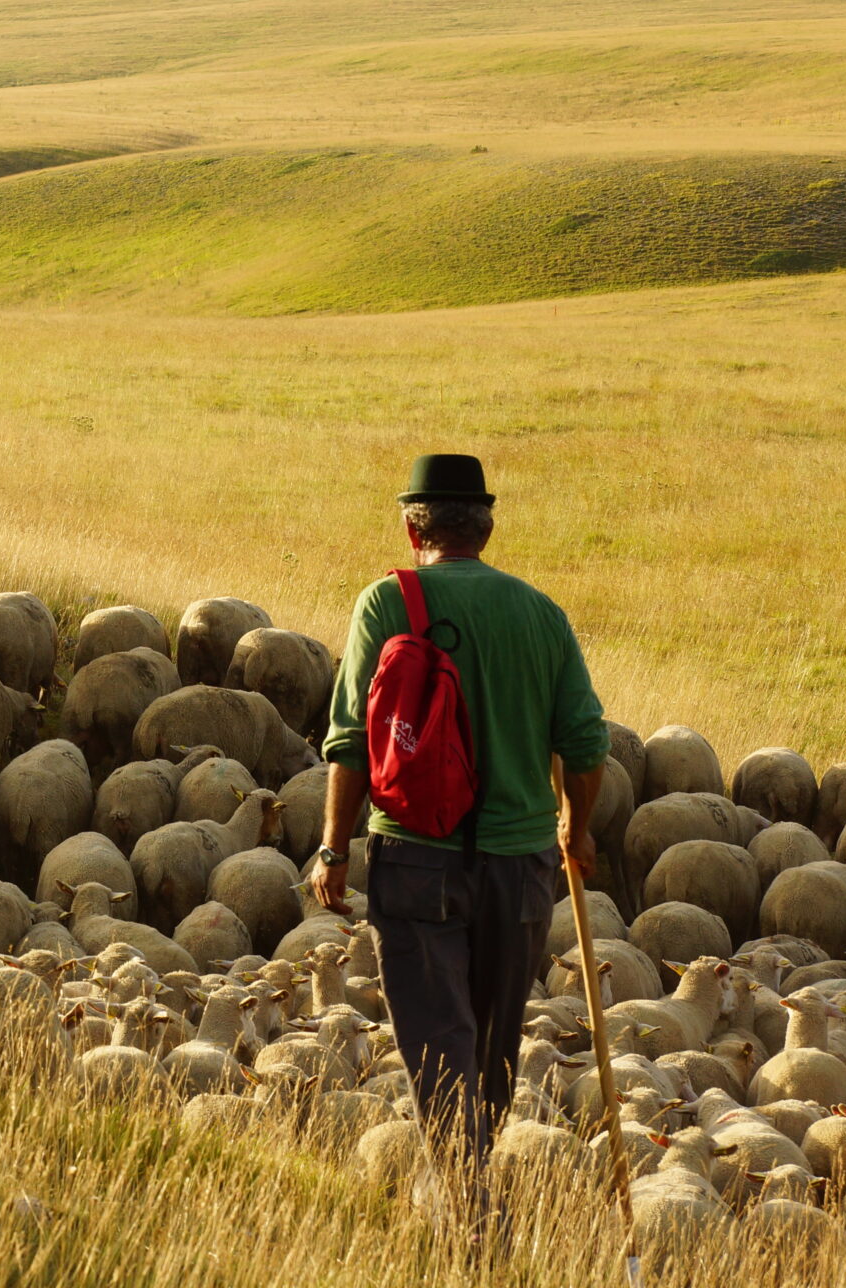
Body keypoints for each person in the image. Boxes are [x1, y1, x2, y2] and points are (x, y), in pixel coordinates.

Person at [307, 453, 610, 1224]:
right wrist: (575, 825)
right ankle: (466, 1192)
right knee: (490, 1049)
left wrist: (334, 847)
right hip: (521, 867)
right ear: (486, 528)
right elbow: (585, 741)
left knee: (438, 1041)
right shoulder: (540, 613)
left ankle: (469, 1216)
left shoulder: (387, 602)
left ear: (415, 530)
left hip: (416, 858)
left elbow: (350, 741)